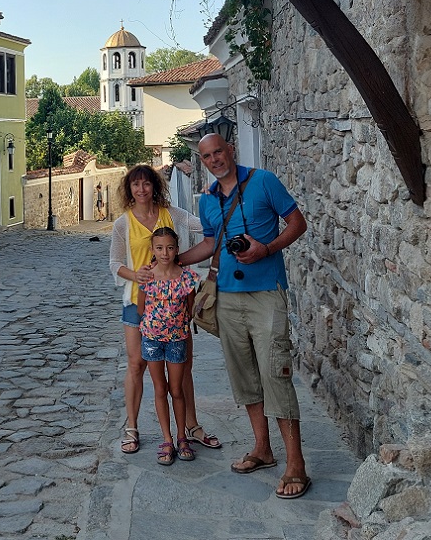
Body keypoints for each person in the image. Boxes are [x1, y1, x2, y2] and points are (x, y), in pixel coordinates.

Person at [186, 134, 311, 499]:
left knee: (277, 374)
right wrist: (176, 261)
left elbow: (297, 223)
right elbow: (211, 242)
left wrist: (266, 248)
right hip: (226, 298)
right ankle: (262, 449)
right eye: (207, 156)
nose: (214, 160)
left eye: (218, 152)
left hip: (266, 294)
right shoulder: (208, 200)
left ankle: (296, 465)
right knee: (245, 377)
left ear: (231, 151)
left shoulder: (263, 181)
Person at [108, 164, 221, 456]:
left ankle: (191, 427)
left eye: (146, 184)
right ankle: (132, 427)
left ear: (154, 186)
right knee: (136, 365)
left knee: (183, 369)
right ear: (129, 189)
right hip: (138, 300)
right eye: (136, 185)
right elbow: (114, 263)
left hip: (174, 302)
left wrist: (214, 199)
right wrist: (137, 275)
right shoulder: (123, 223)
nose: (142, 189)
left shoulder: (172, 214)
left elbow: (204, 225)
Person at [136, 226, 198, 465]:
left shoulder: (186, 278)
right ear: (152, 250)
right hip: (152, 340)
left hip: (177, 340)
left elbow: (190, 308)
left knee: (177, 390)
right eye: (159, 248)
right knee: (160, 390)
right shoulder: (147, 277)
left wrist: (176, 325)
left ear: (176, 250)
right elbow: (141, 309)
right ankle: (167, 438)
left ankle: (183, 436)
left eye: (170, 248)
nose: (164, 253)